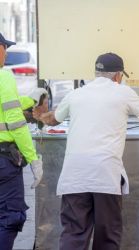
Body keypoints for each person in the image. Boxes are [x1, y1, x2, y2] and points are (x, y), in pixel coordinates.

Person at [33, 52, 139, 250]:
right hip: (106, 175)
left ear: (96, 73)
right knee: (107, 236)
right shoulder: (122, 91)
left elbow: (52, 119)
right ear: (117, 76)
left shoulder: (76, 94)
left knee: (74, 234)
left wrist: (39, 115)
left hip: (75, 176)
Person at [0, 33, 45, 250]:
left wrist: (31, 99)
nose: (6, 53)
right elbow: (15, 124)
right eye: (5, 48)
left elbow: (6, 105)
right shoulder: (3, 77)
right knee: (10, 217)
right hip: (3, 162)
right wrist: (33, 158)